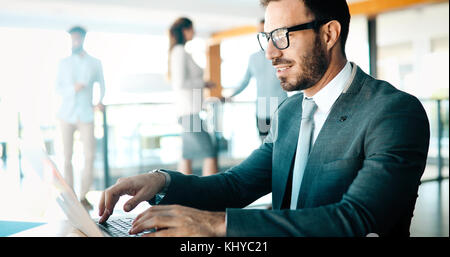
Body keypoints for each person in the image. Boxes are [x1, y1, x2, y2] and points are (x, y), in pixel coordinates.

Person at [98, 0, 430, 237]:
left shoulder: (393, 112)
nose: (270, 53)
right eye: (267, 38)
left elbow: (355, 219)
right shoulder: (288, 113)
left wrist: (215, 225)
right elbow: (236, 185)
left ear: (329, 34)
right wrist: (162, 182)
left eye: (283, 35)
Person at [56, 26, 105, 210]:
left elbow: (102, 84)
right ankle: (70, 195)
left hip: (86, 114)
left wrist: (99, 102)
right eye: (73, 38)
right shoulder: (63, 63)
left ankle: (84, 195)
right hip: (66, 115)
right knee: (67, 156)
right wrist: (72, 89)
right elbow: (57, 89)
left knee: (90, 155)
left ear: (83, 39)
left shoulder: (95, 62)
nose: (75, 41)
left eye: (78, 38)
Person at [167, 17, 218, 176]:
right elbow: (180, 83)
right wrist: (203, 83)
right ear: (184, 30)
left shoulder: (180, 51)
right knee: (210, 151)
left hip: (188, 112)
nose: (194, 32)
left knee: (187, 155)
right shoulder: (180, 52)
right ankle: (213, 194)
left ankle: (183, 196)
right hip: (189, 112)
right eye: (191, 28)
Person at [226, 19, 287, 142]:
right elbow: (245, 81)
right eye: (261, 33)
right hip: (262, 110)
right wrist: (230, 95)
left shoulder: (282, 55)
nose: (265, 36)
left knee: (281, 145)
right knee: (264, 145)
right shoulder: (253, 58)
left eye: (267, 32)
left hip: (281, 108)